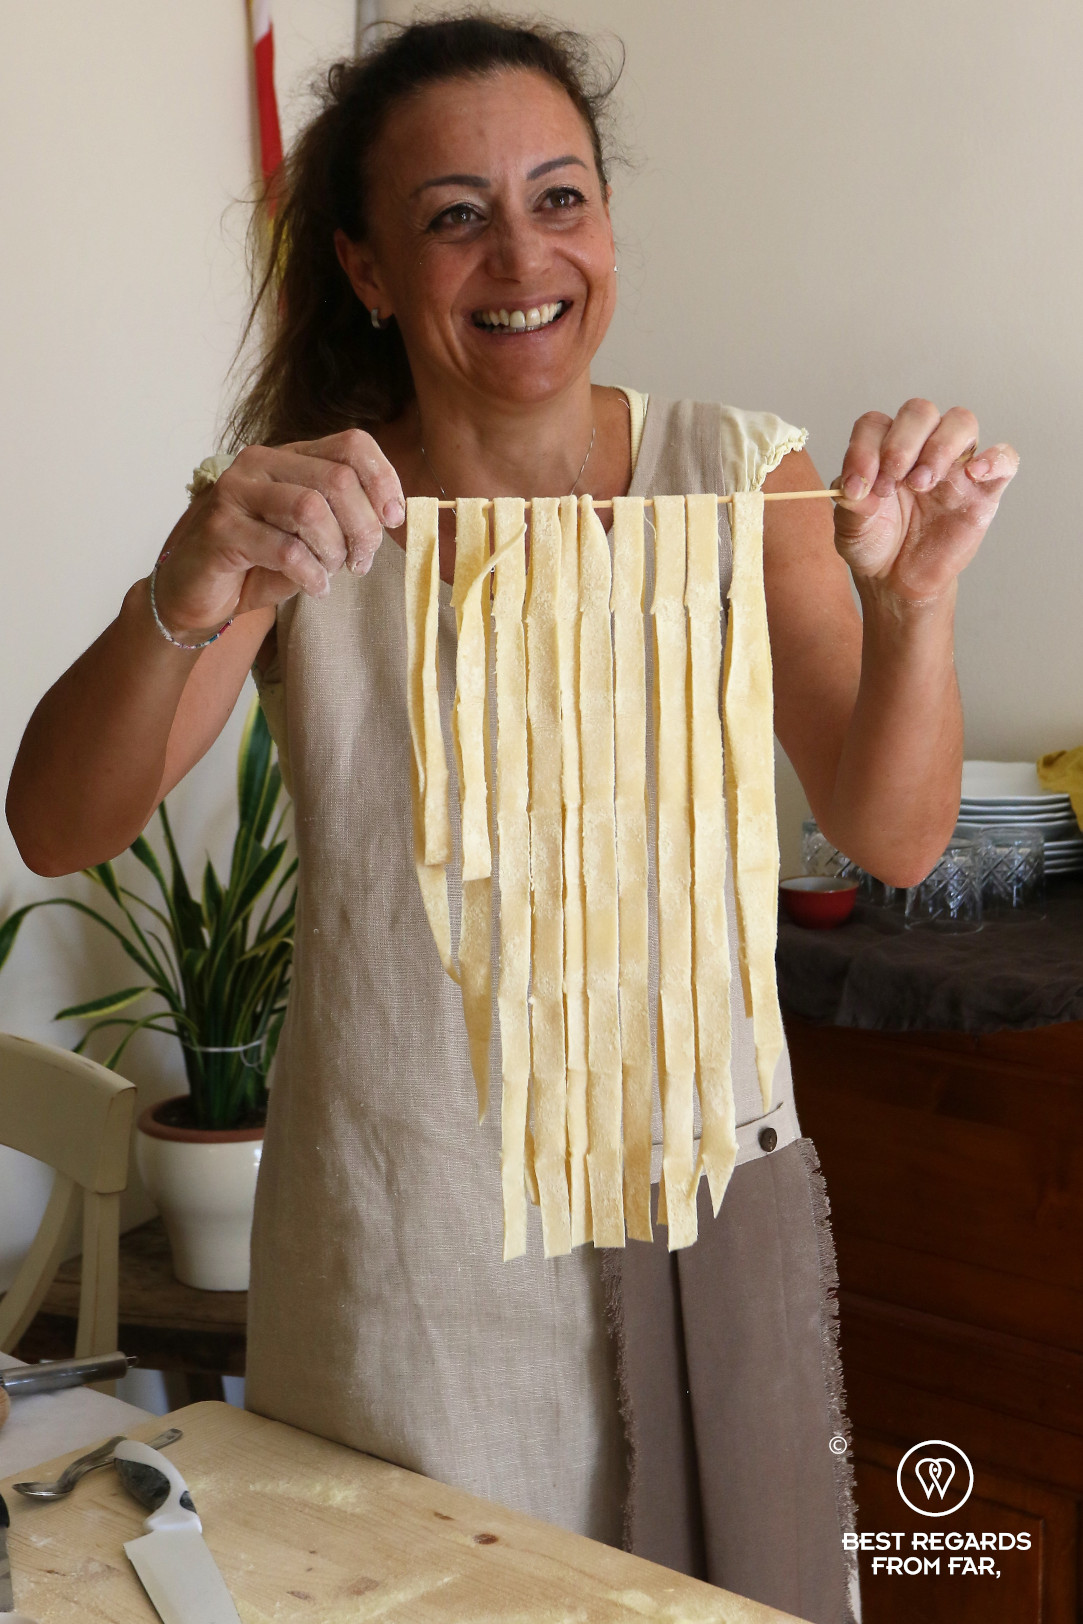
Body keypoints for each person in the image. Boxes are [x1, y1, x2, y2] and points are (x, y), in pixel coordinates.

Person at [6, 15, 1018, 1623]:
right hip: (404, 1252)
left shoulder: (742, 481)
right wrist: (189, 585)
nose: (522, 255)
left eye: (560, 198)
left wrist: (915, 614)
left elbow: (893, 838)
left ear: (608, 223)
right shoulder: (309, 519)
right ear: (367, 267)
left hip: (701, 1219)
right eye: (455, 215)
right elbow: (59, 822)